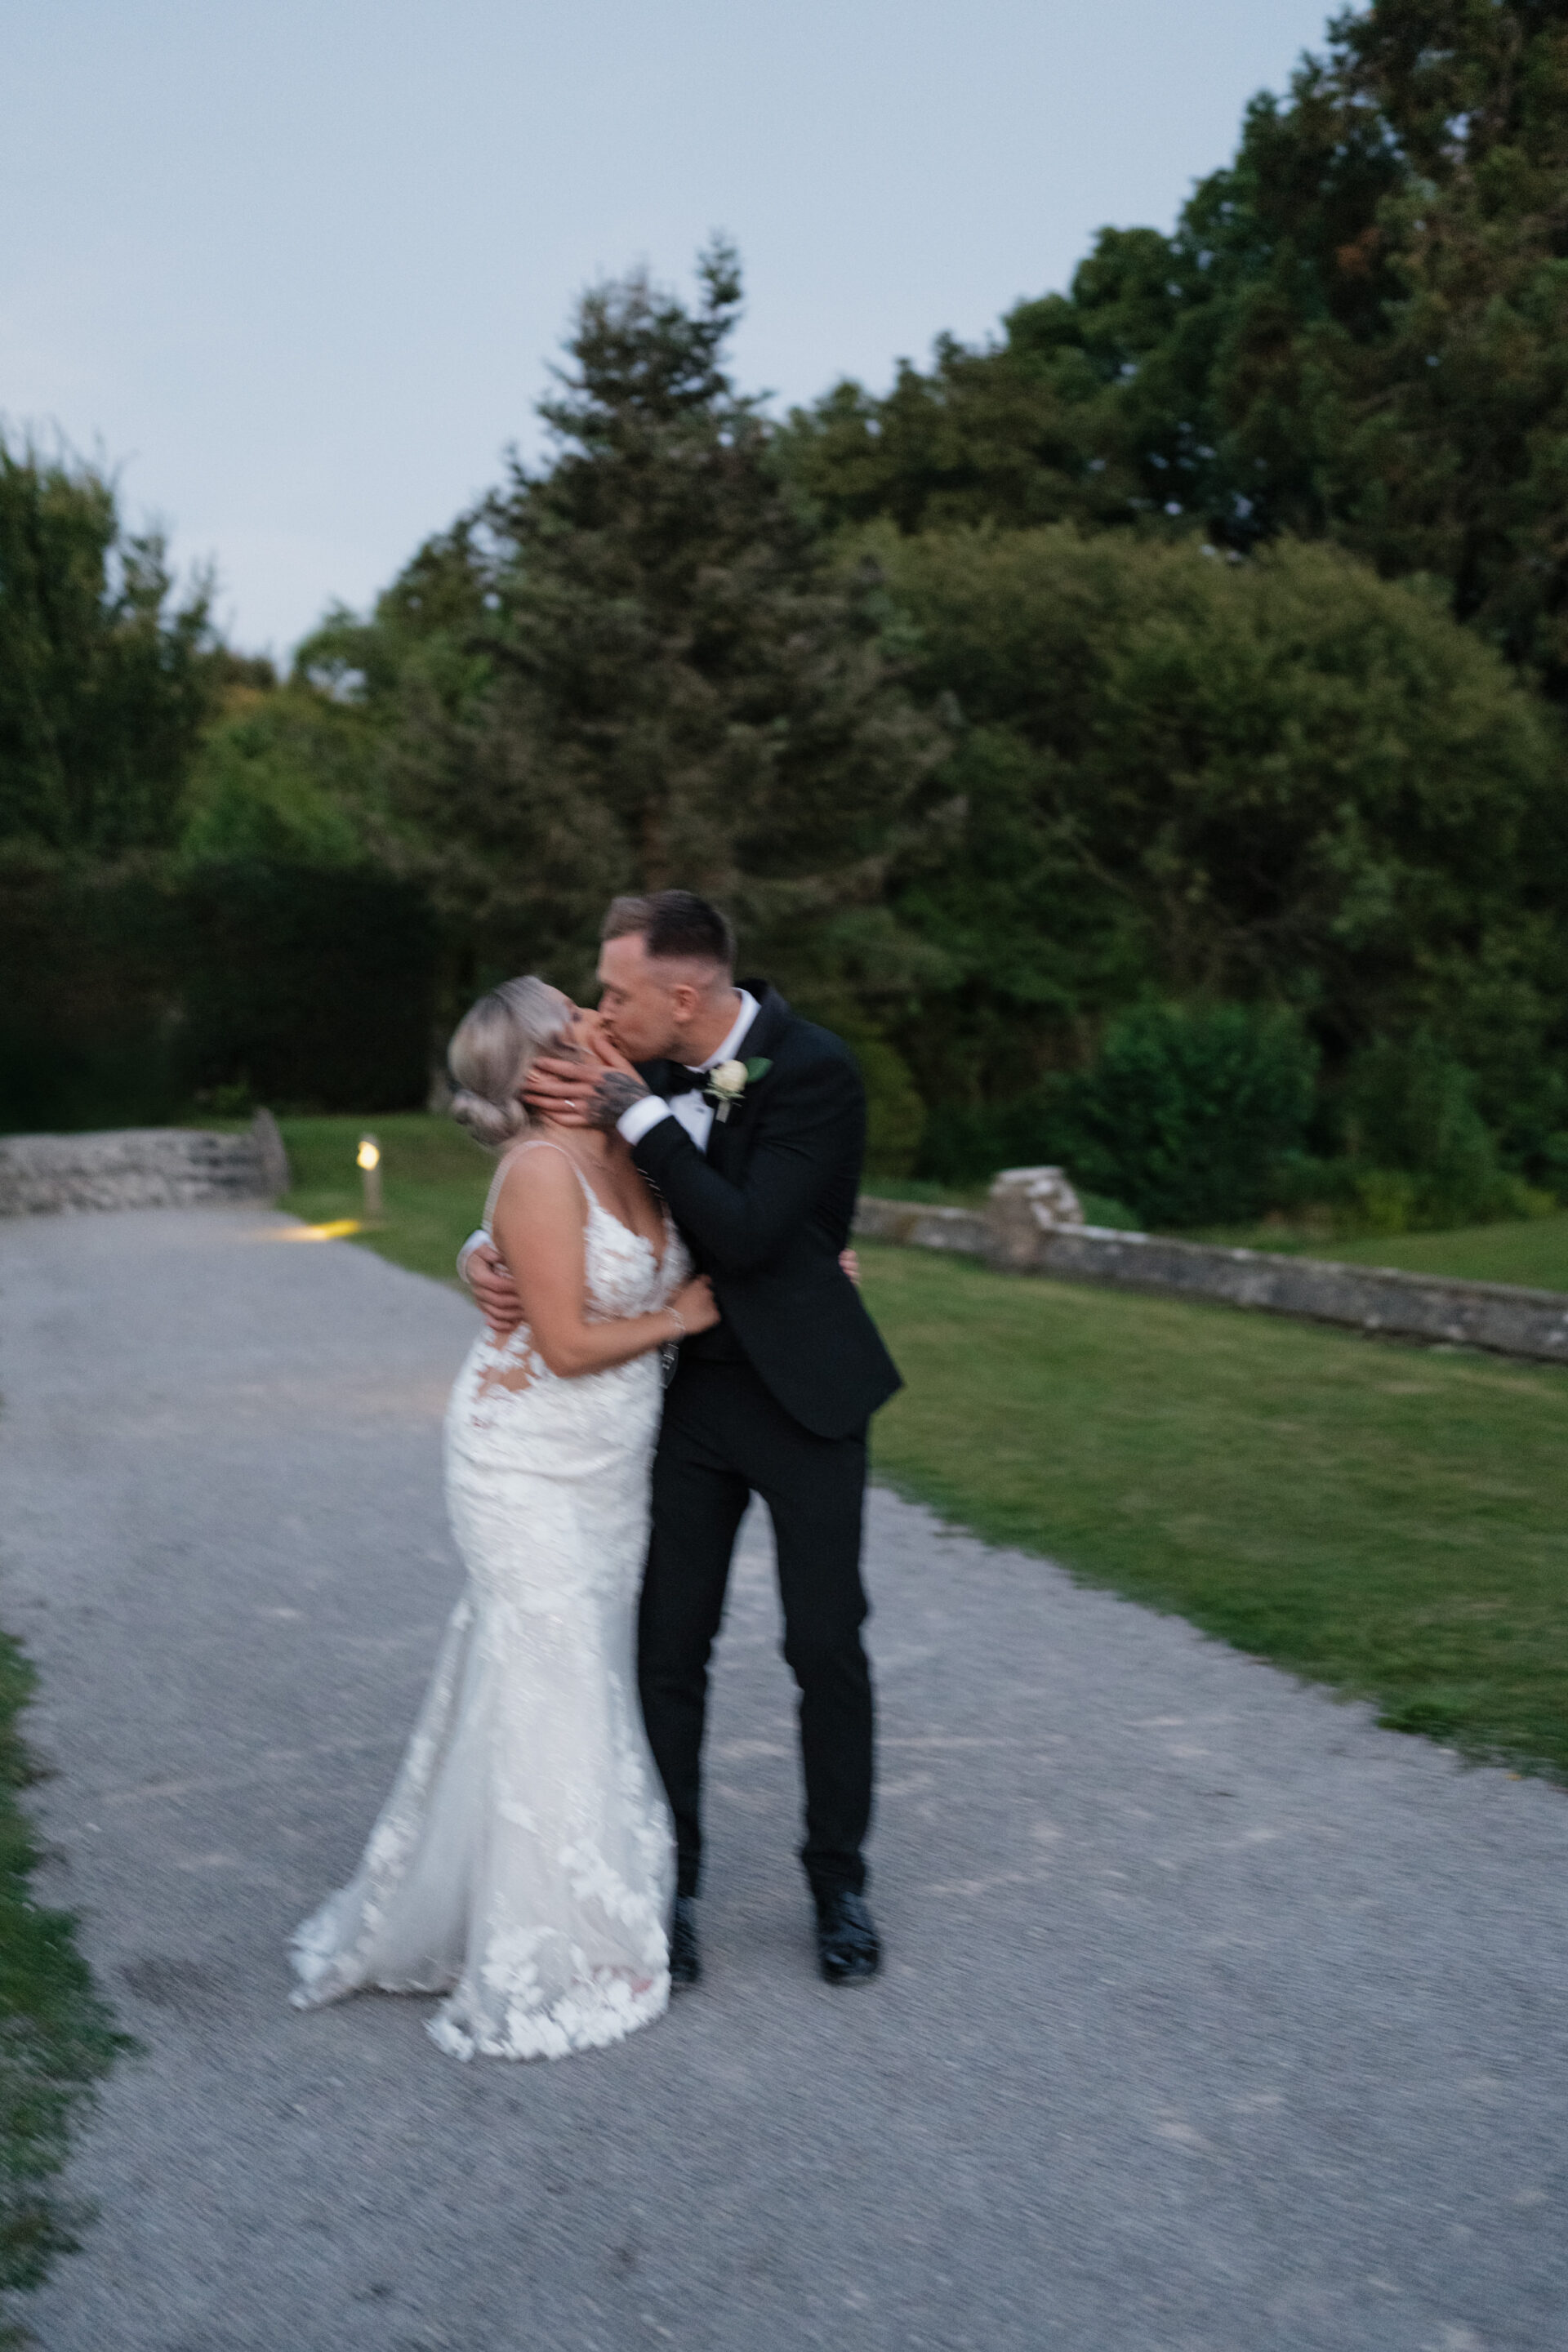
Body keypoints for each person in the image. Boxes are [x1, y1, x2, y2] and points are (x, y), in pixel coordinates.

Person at [465, 891, 902, 1988]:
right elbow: (550, 1169)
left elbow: (750, 1233)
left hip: (807, 1397)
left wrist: (635, 1111)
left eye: (615, 992)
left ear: (684, 992)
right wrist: (482, 1252)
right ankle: (673, 1880)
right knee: (670, 1648)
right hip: (685, 1400)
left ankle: (838, 1884)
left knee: (824, 1643)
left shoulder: (814, 1072)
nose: (601, 1013)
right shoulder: (632, 1071)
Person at [289, 976, 719, 2060]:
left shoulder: (635, 1132)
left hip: (611, 1467)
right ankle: (552, 1947)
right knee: (554, 1679)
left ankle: (514, 1900)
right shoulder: (535, 1168)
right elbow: (568, 1346)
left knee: (558, 1675)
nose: (599, 1020)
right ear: (540, 1067)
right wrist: (682, 1312)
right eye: (576, 1015)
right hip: (522, 1458)